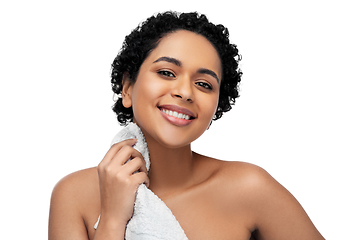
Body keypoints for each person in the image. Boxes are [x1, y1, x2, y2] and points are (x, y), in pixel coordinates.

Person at [48, 11, 324, 240]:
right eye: (166, 72)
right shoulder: (73, 196)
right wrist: (111, 219)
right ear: (128, 87)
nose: (185, 92)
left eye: (204, 84)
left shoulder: (249, 188)